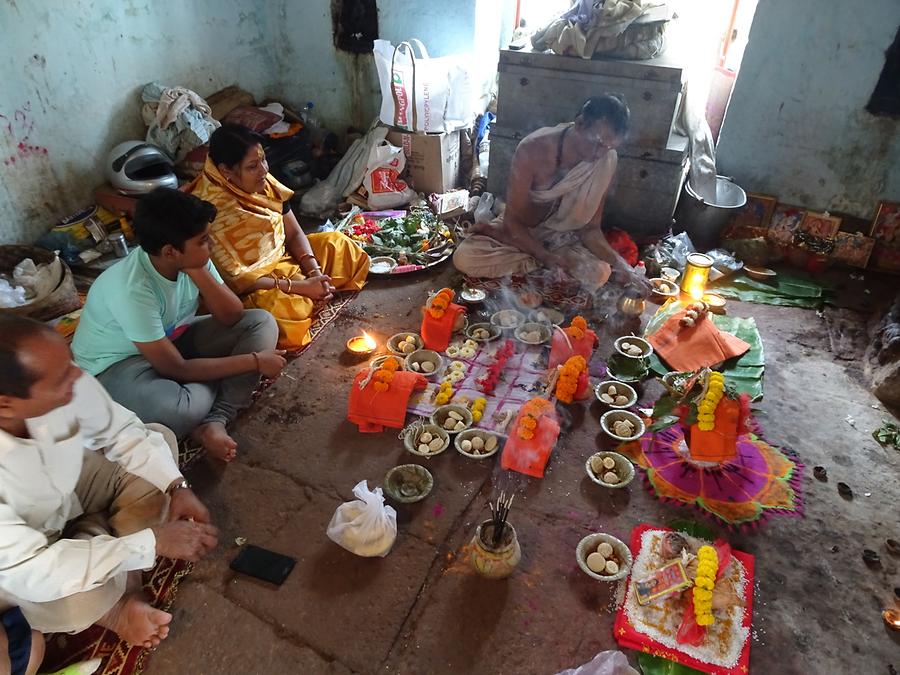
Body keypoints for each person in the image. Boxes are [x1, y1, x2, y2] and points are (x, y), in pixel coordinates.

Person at [0, 314, 218, 655]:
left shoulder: (63, 379)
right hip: (22, 562)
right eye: (61, 378)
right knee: (74, 605)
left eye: (70, 362)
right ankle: (114, 607)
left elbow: (121, 432)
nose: (78, 377)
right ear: (5, 404)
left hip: (67, 492)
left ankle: (124, 580)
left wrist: (177, 486)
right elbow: (34, 570)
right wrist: (150, 543)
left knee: (157, 442)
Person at [72, 188, 286, 462]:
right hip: (117, 366)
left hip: (172, 339)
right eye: (204, 241)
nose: (212, 245)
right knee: (181, 409)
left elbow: (232, 316)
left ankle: (216, 419)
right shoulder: (131, 289)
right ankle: (209, 405)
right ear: (170, 252)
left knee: (261, 323)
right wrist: (253, 362)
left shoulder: (189, 258)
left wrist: (197, 269)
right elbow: (175, 368)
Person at [188, 123, 370, 350]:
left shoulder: (263, 182)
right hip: (255, 287)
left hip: (285, 260)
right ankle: (307, 298)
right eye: (253, 166)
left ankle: (314, 292)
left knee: (340, 246)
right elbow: (237, 281)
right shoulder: (208, 210)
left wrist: (315, 272)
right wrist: (301, 287)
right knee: (277, 314)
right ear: (226, 171)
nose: (264, 170)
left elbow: (293, 231)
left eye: (263, 159)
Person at [453, 94, 650, 295]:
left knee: (600, 272)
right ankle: (540, 265)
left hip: (562, 238)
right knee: (464, 257)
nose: (601, 154)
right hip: (523, 230)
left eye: (609, 147)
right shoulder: (533, 149)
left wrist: (623, 265)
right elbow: (513, 222)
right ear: (580, 124)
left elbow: (590, 229)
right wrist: (546, 257)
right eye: (599, 143)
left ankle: (527, 263)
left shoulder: (606, 160)